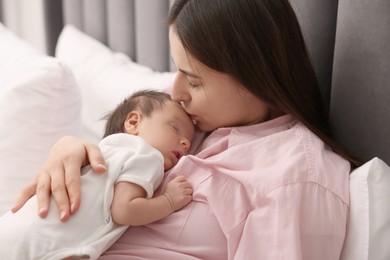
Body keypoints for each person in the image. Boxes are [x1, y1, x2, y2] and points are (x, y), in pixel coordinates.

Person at [11, 0, 363, 259]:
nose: (176, 92)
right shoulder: (191, 114)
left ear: (254, 77)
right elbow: (123, 151)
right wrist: (75, 147)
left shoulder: (293, 176)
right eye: (176, 71)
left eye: (192, 80)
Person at [0, 90, 194, 259]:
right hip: (45, 242)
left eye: (189, 141)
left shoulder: (103, 152)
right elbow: (124, 210)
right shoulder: (146, 154)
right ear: (133, 122)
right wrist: (169, 200)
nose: (185, 142)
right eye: (174, 128)